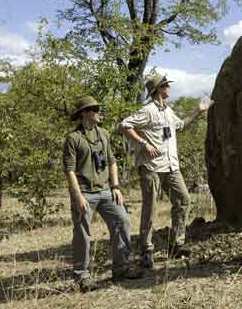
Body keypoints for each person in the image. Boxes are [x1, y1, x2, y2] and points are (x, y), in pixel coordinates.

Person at [120, 72, 213, 269]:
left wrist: (199, 110)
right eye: (166, 85)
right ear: (159, 89)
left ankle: (177, 243)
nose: (169, 87)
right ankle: (146, 249)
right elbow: (125, 125)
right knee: (150, 207)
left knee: (183, 200)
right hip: (151, 166)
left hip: (171, 165)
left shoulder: (168, 111)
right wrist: (144, 143)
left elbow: (180, 126)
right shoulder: (148, 110)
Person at [63, 95, 143, 291]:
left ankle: (121, 268)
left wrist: (115, 187)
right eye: (94, 109)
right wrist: (78, 196)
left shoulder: (104, 134)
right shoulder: (73, 139)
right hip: (84, 192)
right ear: (84, 113)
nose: (99, 112)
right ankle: (82, 276)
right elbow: (69, 170)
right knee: (82, 233)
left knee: (122, 221)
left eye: (98, 109)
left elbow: (112, 162)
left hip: (106, 191)